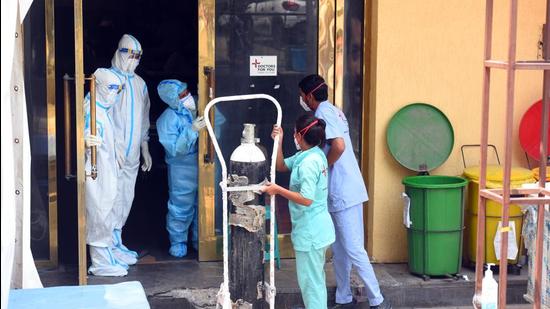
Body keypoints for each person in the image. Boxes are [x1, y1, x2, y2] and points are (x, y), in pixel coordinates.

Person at [298, 74, 391, 309]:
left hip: (344, 190)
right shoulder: (334, 111)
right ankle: (344, 296)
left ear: (309, 96)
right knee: (340, 249)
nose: (302, 101)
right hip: (345, 188)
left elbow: (338, 146)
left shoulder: (323, 114)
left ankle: (377, 300)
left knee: (353, 249)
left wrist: (324, 167)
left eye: (302, 96)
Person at [261, 115, 335, 309]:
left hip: (311, 232)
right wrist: (279, 140)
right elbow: (281, 166)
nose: (294, 135)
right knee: (315, 281)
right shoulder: (311, 154)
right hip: (316, 229)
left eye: (294, 132)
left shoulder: (310, 162)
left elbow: (306, 198)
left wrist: (277, 190)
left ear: (301, 135)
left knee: (311, 284)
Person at [110, 34, 152, 264]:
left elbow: (144, 118)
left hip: (133, 153)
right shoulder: (107, 80)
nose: (134, 60)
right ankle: (106, 245)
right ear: (120, 52)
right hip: (111, 153)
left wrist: (144, 147)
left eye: (138, 56)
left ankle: (117, 240)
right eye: (131, 54)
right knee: (110, 198)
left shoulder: (140, 84)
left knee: (126, 197)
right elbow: (97, 115)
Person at [84, 68, 127, 276]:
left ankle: (107, 255)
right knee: (99, 213)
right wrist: (84, 141)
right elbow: (83, 133)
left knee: (107, 210)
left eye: (117, 90)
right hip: (95, 170)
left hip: (106, 169)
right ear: (98, 86)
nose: (114, 93)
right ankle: (100, 263)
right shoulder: (91, 110)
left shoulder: (103, 110)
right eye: (111, 88)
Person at [156, 80, 206, 257]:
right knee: (181, 205)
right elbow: (176, 149)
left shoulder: (199, 108)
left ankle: (201, 241)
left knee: (204, 204)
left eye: (187, 92)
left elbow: (219, 121)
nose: (188, 97)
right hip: (182, 167)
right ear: (172, 99)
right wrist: (192, 130)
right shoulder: (167, 119)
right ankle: (178, 242)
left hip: (205, 163)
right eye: (182, 95)